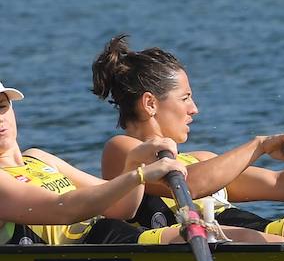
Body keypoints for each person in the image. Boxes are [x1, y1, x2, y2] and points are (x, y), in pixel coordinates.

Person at [92, 35, 284, 242]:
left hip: (247, 228)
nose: (194, 108)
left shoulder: (201, 159)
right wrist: (259, 146)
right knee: (275, 243)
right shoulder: (123, 149)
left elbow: (280, 184)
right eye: (185, 98)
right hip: (198, 243)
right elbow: (192, 184)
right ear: (150, 103)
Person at [1, 80, 189, 245]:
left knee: (211, 232)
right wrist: (138, 176)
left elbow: (121, 208)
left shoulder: (38, 157)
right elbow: (63, 209)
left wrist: (134, 163)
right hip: (88, 253)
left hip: (111, 240)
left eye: (1, 107)